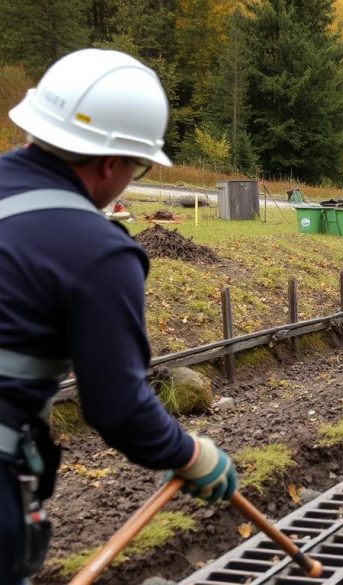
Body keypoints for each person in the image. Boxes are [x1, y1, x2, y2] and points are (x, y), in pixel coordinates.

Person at [0, 49, 237, 582]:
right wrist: (190, 453)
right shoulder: (98, 252)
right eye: (139, 165)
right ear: (111, 163)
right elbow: (116, 406)